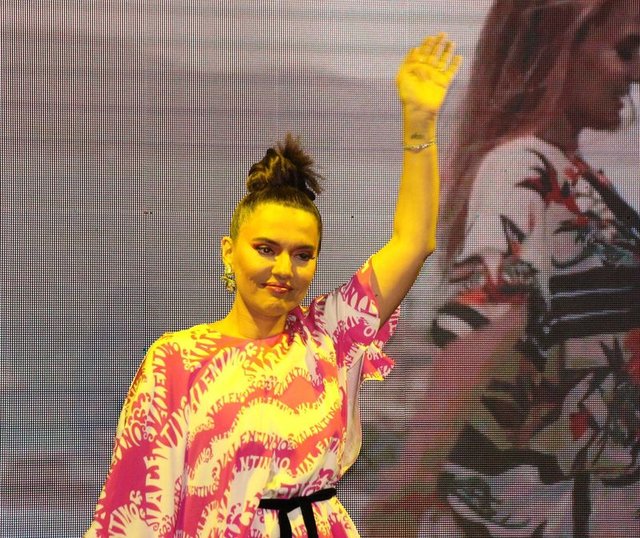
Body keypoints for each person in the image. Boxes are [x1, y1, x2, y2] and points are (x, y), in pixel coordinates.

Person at [84, 34, 460, 537]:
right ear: (229, 251)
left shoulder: (330, 334)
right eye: (266, 249)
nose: (285, 268)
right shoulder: (176, 361)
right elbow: (134, 513)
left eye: (303, 255)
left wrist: (419, 124)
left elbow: (413, 243)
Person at [366, 0, 640, 536]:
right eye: (625, 50)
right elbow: (479, 329)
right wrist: (401, 498)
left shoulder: (576, 180)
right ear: (561, 46)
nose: (636, 73)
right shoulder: (525, 169)